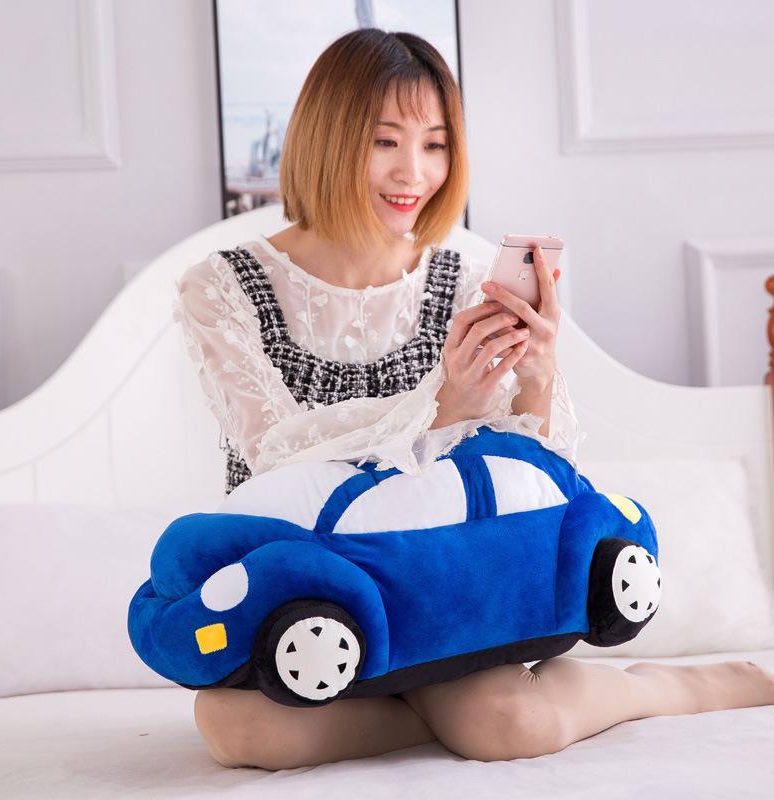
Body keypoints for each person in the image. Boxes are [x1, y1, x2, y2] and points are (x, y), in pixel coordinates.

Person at [174, 28, 774, 771]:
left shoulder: (465, 278)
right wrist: (444, 410)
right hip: (304, 597)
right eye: (385, 142)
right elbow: (276, 455)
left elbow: (532, 476)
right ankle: (433, 711)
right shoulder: (221, 287)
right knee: (234, 727)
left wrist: (540, 374)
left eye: (435, 145)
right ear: (327, 139)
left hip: (441, 582)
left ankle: (671, 685)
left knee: (510, 724)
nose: (414, 173)